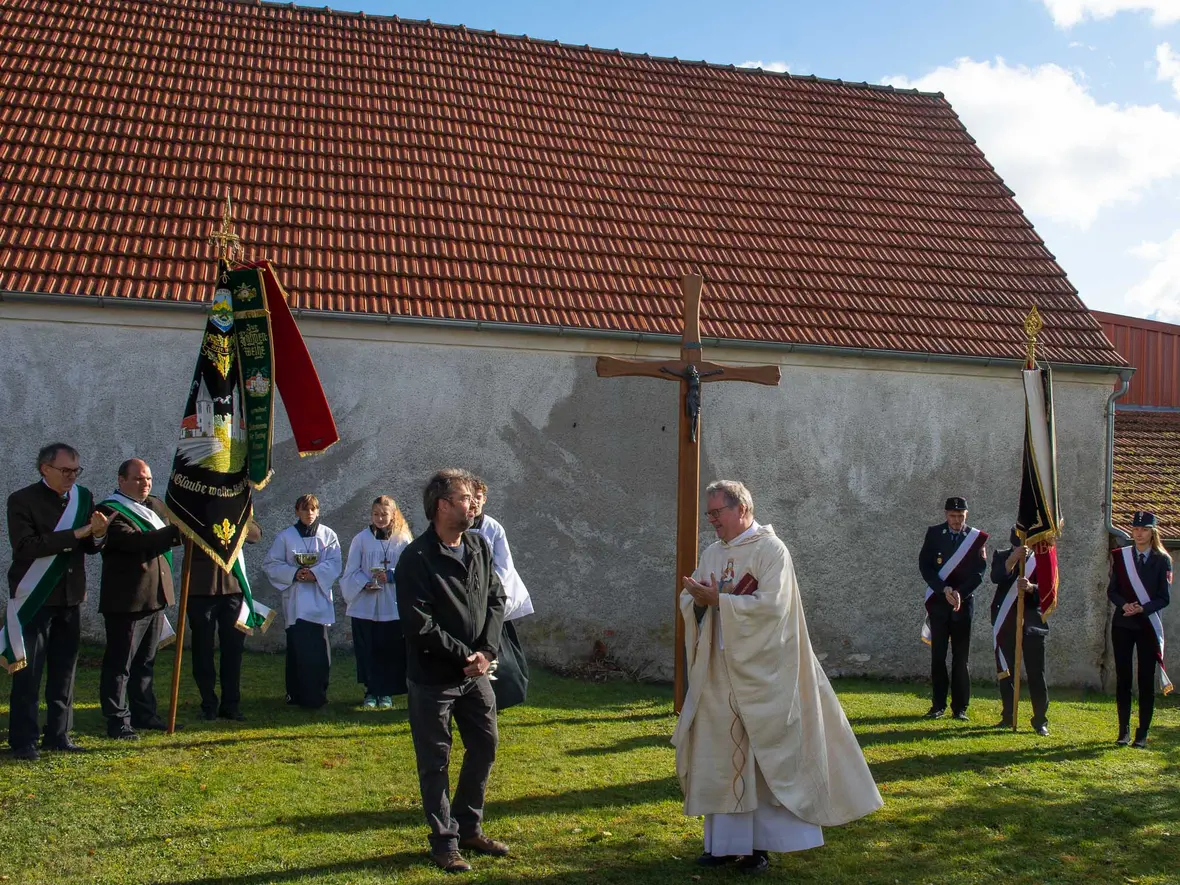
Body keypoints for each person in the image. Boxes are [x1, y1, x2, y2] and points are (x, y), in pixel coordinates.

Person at [673, 480, 881, 875]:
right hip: (719, 671)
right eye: (710, 514)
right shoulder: (714, 552)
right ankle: (723, 845)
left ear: (743, 510)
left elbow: (774, 609)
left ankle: (758, 848)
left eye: (717, 512)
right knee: (719, 755)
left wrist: (721, 601)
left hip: (762, 674)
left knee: (759, 758)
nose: (712, 520)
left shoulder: (772, 551)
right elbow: (696, 599)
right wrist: (696, 599)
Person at [394, 468, 509, 874]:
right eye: (465, 498)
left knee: (485, 744)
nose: (474, 503)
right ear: (442, 506)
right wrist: (467, 655)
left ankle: (469, 826)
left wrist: (487, 650)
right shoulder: (416, 558)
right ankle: (444, 842)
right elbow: (418, 624)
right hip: (434, 679)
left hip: (475, 674)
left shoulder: (478, 545)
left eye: (474, 499)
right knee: (435, 760)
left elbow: (497, 598)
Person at [4, 443, 110, 760]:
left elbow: (90, 546)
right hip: (35, 599)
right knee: (28, 672)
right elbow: (26, 546)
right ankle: (23, 740)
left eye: (76, 470)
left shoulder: (83, 497)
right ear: (45, 469)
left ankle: (58, 734)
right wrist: (77, 534)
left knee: (65, 671)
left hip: (71, 596)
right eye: (65, 471)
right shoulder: (22, 500)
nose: (71, 477)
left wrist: (99, 535)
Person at [96, 459, 183, 739]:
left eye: (147, 478)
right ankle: (118, 720)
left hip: (155, 597)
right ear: (121, 480)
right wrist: (176, 532)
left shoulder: (156, 505)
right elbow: (135, 543)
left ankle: (144, 714)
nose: (144, 483)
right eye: (137, 479)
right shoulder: (109, 510)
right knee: (121, 663)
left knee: (145, 661)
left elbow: (176, 522)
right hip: (128, 600)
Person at [263, 494, 342, 710]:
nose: (309, 514)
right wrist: (295, 574)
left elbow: (335, 563)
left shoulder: (328, 535)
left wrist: (314, 574)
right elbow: (271, 564)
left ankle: (318, 693)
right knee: (298, 649)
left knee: (320, 650)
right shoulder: (286, 537)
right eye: (304, 509)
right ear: (296, 511)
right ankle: (295, 693)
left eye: (313, 509)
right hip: (297, 601)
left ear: (318, 511)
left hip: (319, 599)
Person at [918, 496, 988, 721]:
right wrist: (943, 589)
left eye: (961, 516)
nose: (957, 520)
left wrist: (960, 593)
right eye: (952, 516)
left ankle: (960, 708)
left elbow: (979, 572)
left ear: (966, 515)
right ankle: (937, 705)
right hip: (940, 603)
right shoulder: (934, 534)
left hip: (963, 604)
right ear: (945, 515)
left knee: (961, 658)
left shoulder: (975, 539)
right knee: (938, 655)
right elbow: (925, 566)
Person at [1107, 511, 1173, 748]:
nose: (1138, 534)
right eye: (1135, 529)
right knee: (1123, 678)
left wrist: (1142, 609)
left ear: (1152, 532)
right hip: (1123, 622)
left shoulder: (1162, 560)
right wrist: (1124, 605)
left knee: (1145, 679)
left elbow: (1163, 598)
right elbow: (1112, 590)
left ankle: (1142, 732)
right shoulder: (1121, 556)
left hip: (1146, 625)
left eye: (1144, 529)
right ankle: (1123, 730)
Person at [187, 519, 263, 721]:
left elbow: (256, 535)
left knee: (233, 650)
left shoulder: (233, 511)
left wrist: (242, 517)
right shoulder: (193, 509)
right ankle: (208, 704)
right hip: (201, 588)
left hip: (232, 589)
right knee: (202, 649)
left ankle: (231, 704)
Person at [341, 496, 413, 709]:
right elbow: (350, 572)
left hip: (392, 604)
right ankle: (371, 691)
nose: (380, 519)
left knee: (389, 649)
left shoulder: (402, 540)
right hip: (366, 603)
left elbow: (410, 571)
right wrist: (364, 582)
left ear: (393, 515)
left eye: (384, 514)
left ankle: (387, 692)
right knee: (368, 649)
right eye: (376, 514)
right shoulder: (361, 539)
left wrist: (390, 575)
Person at [471, 478, 533, 709]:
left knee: (499, 651)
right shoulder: (458, 527)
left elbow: (504, 566)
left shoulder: (493, 528)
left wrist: (490, 593)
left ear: (484, 500)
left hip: (490, 599)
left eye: (479, 498)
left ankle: (504, 694)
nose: (475, 503)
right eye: (471, 498)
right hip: (467, 602)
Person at [990, 527, 1050, 735]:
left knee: (1036, 673)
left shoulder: (1043, 560)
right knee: (1006, 671)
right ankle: (1009, 715)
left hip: (1032, 623)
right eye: (1017, 545)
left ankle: (1040, 720)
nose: (1022, 548)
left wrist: (1032, 588)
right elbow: (996, 577)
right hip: (1006, 622)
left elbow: (1049, 591)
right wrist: (1012, 560)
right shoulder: (1002, 556)